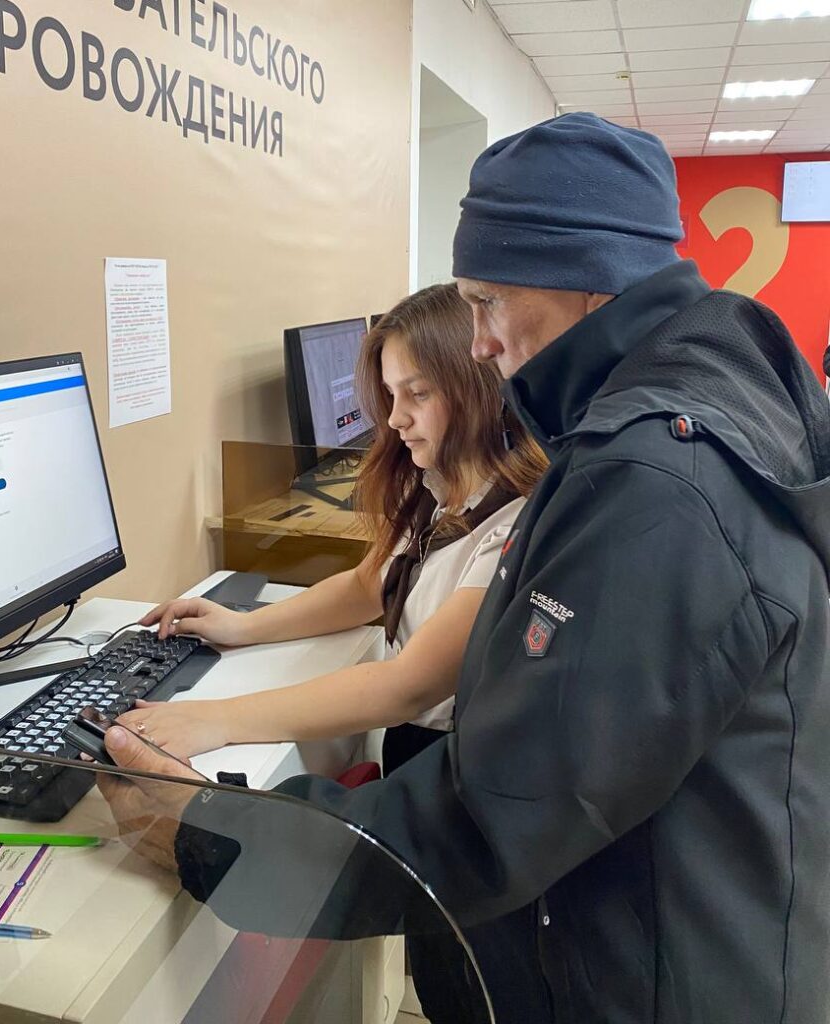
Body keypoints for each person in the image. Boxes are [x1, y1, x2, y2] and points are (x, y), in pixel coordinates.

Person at [99, 113, 830, 1023]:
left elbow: (497, 814)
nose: (480, 342)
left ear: (587, 277)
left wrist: (208, 832)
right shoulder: (707, 396)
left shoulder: (654, 484)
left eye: (488, 301)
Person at [117, 283, 547, 773]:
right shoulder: (439, 484)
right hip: (413, 745)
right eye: (390, 394)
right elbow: (368, 586)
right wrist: (243, 625)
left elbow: (406, 687)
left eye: (418, 393)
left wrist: (216, 719)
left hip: (455, 765)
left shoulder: (515, 521)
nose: (396, 418)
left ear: (479, 386)